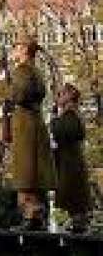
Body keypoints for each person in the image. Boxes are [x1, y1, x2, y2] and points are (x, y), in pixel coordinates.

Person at [0, 35, 56, 231]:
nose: (14, 50)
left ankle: (32, 217)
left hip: (24, 125)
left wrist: (3, 84)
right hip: (33, 123)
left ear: (24, 49)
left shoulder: (22, 71)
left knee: (26, 174)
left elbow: (18, 95)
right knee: (32, 173)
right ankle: (36, 216)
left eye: (16, 47)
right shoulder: (36, 71)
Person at [51, 83, 90, 233]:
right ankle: (76, 223)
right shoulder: (70, 116)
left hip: (71, 163)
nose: (58, 97)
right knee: (70, 195)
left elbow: (60, 132)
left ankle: (79, 223)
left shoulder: (72, 116)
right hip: (68, 161)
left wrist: (54, 120)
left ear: (69, 97)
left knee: (73, 193)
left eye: (61, 94)